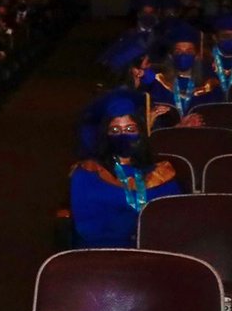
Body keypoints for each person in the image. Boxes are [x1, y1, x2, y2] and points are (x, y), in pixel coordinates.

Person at [70, 91, 180, 248]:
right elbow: (88, 229)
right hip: (105, 255)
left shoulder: (161, 173)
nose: (123, 135)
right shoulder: (88, 174)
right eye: (115, 130)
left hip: (153, 254)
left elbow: (173, 219)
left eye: (130, 129)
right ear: (105, 135)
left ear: (141, 133)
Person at [149, 23, 221, 128]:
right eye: (178, 52)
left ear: (196, 56)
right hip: (168, 138)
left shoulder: (210, 84)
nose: (183, 55)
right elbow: (155, 122)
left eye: (189, 51)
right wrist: (178, 126)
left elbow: (216, 117)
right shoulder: (158, 84)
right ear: (171, 56)